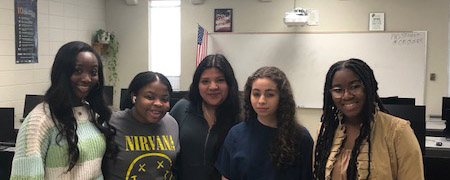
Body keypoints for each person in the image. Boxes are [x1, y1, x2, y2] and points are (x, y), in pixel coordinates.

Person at [10, 41, 115, 179]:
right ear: (62, 73)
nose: (87, 78)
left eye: (93, 72)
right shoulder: (40, 120)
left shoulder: (92, 113)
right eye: (78, 70)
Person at [313, 58, 424, 180]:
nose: (347, 95)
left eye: (355, 87)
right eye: (338, 90)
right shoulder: (325, 131)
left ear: (368, 87)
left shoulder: (398, 132)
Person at [215, 66, 313, 180]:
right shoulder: (235, 134)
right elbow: (227, 177)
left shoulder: (301, 137)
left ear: (282, 97)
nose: (261, 101)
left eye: (269, 95)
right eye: (256, 94)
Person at [170, 54, 241, 180]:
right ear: (197, 85)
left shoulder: (241, 114)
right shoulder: (182, 108)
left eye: (220, 80)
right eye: (205, 81)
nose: (213, 87)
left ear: (229, 83)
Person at [103, 71, 179, 180]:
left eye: (164, 99)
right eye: (150, 97)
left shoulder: (171, 124)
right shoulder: (111, 123)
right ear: (134, 97)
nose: (158, 103)